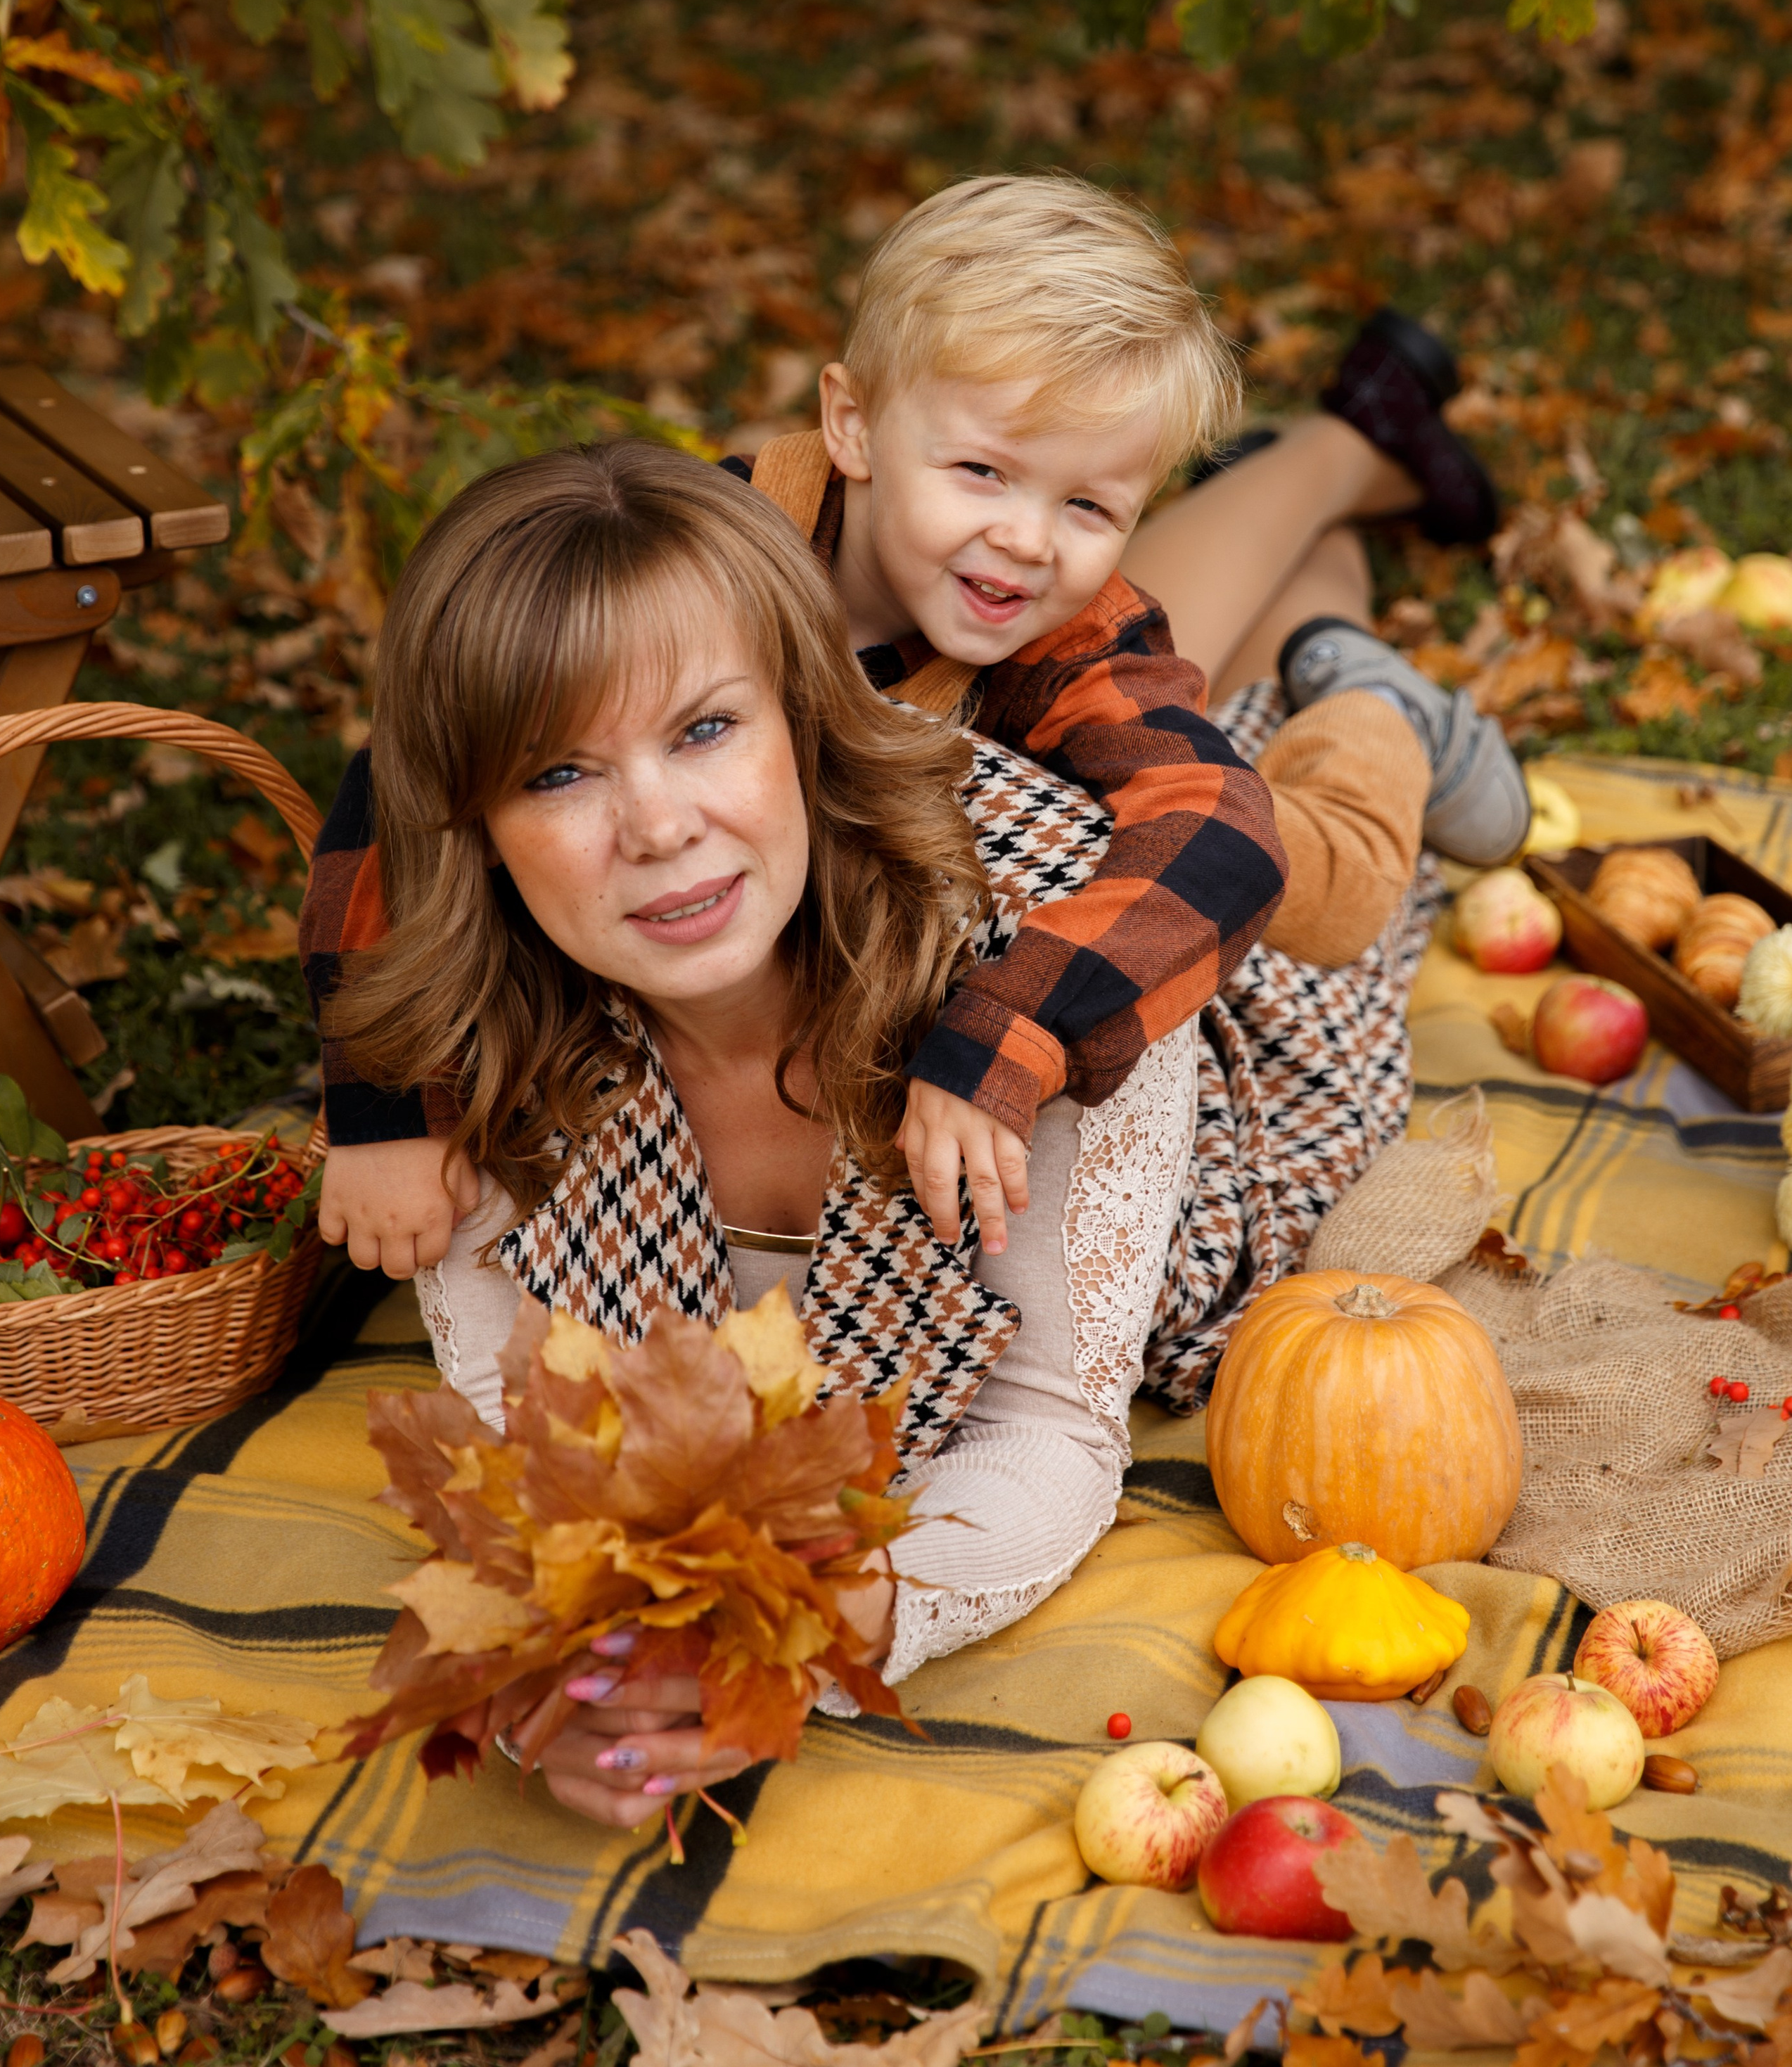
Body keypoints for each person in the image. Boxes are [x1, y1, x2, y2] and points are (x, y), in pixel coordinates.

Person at [316, 443, 1430, 1832]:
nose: (660, 827)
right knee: (1196, 655)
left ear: (804, 712)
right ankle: (1318, 516)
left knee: (1315, 759)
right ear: (471, 826)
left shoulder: (1050, 948)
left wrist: (820, 1625)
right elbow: (526, 1433)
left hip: (1219, 1059)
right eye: (557, 773)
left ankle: (1349, 565)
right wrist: (591, 1657)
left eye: (707, 728)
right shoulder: (454, 1054)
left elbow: (1049, 1422)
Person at [302, 174, 1521, 1285]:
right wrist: (381, 1107)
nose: (1030, 536)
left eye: (1092, 501)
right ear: (852, 426)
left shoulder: (1063, 619)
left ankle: (1372, 698)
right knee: (1094, 605)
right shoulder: (699, 559)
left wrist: (1015, 1025)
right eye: (983, 471)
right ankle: (1354, 462)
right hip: (945, 754)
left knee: (1338, 888)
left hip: (1118, 839)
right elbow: (416, 766)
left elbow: (1225, 837)